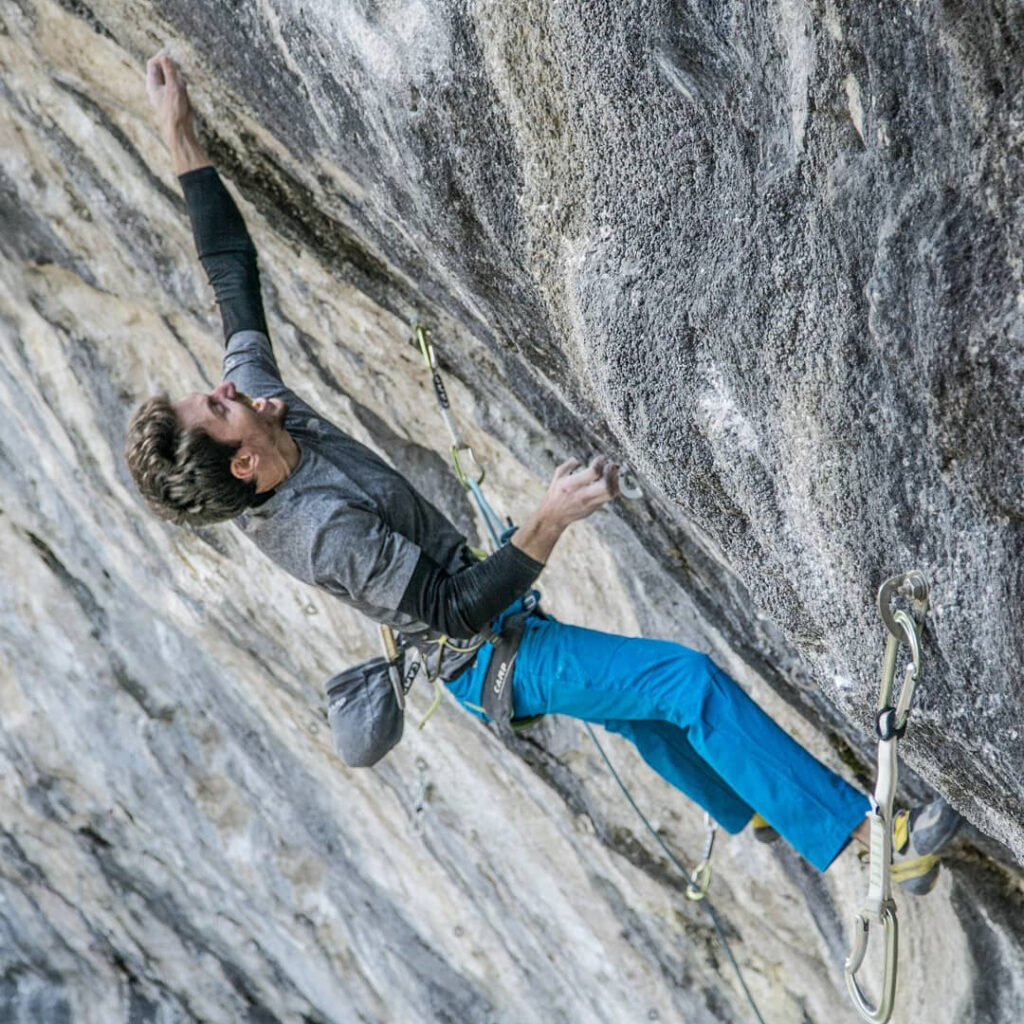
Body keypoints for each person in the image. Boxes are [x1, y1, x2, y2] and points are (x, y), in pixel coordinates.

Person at [125, 53, 959, 889]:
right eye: (218, 404)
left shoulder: (264, 411)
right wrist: (552, 515)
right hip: (487, 659)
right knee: (683, 683)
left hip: (497, 635)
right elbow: (456, 611)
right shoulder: (321, 533)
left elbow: (230, 272)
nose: (229, 386)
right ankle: (876, 842)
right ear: (241, 459)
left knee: (647, 717)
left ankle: (763, 808)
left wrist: (179, 133)